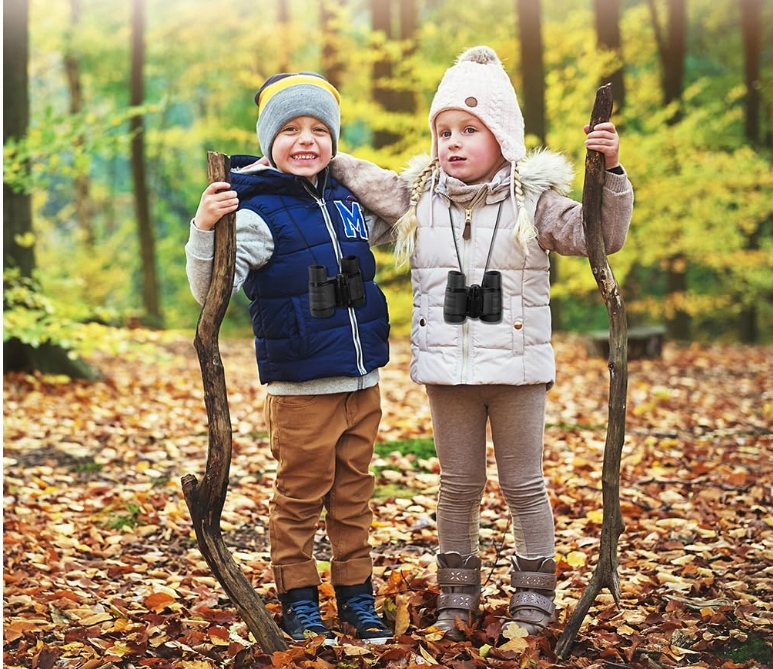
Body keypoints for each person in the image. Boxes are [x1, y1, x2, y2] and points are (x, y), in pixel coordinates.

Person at [329, 45, 634, 639]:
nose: (454, 143)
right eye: (444, 131)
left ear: (504, 137)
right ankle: (457, 599)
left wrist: (612, 173)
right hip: (448, 372)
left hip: (517, 371)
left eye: (470, 129)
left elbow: (601, 234)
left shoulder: (534, 202)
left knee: (524, 486)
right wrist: (317, 153)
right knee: (458, 486)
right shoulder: (419, 197)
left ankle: (534, 598)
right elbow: (361, 178)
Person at [185, 71, 402, 644]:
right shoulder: (254, 213)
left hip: (362, 378)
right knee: (301, 497)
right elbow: (210, 287)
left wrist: (356, 170)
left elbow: (408, 212)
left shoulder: (348, 201)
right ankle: (300, 600)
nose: (305, 140)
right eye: (290, 130)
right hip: (303, 385)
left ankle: (358, 598)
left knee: (354, 494)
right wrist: (205, 229)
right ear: (266, 141)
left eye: (318, 130)